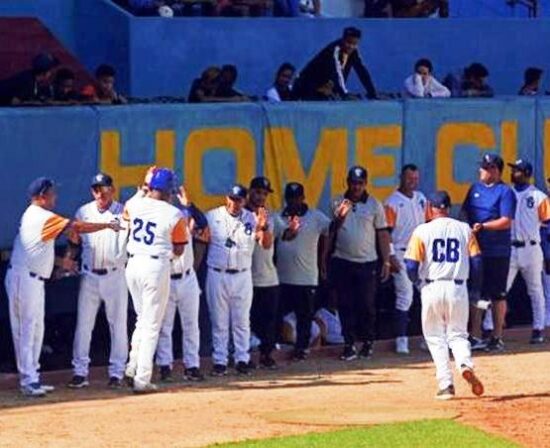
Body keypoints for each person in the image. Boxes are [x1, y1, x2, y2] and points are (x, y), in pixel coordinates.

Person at [5, 177, 122, 397]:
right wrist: (107, 225)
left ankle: (32, 378)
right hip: (24, 280)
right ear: (41, 197)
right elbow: (75, 227)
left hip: (33, 278)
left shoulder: (38, 216)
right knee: (26, 331)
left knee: (35, 331)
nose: (55, 197)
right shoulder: (40, 215)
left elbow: (39, 250)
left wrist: (62, 265)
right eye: (52, 194)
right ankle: (28, 380)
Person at [405, 190, 484, 400]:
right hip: (458, 287)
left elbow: (411, 266)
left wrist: (418, 283)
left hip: (431, 287)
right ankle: (465, 363)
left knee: (435, 337)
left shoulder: (422, 231)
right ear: (448, 208)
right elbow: (477, 262)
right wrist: (474, 289)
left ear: (430, 208)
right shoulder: (464, 229)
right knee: (458, 334)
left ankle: (446, 384)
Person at [124, 168, 189, 393]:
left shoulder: (134, 204)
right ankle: (142, 378)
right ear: (170, 191)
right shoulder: (174, 214)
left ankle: (132, 367)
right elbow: (180, 249)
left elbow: (127, 218)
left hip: (132, 264)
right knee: (151, 324)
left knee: (142, 319)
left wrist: (145, 186)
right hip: (155, 266)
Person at [67, 173, 129, 389]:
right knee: (83, 325)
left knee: (118, 325)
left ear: (112, 189)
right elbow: (74, 241)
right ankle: (80, 372)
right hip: (90, 275)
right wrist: (68, 260)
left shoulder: (123, 212)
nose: (100, 193)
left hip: (115, 274)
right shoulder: (83, 211)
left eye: (104, 188)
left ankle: (117, 372)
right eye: (96, 189)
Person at [205, 184, 271, 376]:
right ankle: (220, 361)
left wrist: (263, 227)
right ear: (227, 198)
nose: (235, 203)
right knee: (219, 321)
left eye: (239, 200)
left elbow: (265, 244)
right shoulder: (213, 216)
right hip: (218, 273)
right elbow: (200, 237)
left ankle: (242, 358)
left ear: (244, 200)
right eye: (232, 199)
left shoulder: (252, 218)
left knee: (242, 321)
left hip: (242, 274)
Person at [330, 166, 391, 361]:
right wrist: (340, 217)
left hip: (367, 262)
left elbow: (382, 233)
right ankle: (348, 345)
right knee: (345, 304)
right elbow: (331, 232)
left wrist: (387, 261)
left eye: (360, 183)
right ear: (347, 182)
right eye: (353, 183)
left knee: (366, 305)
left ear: (365, 184)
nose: (356, 187)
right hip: (342, 260)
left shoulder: (374, 204)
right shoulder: (337, 202)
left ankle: (368, 342)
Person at [461, 153, 516, 352]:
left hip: (497, 250)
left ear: (495, 171)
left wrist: (483, 226)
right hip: (476, 250)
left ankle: (496, 336)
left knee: (497, 295)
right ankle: (475, 335)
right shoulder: (475, 189)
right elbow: (465, 211)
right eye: (482, 167)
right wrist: (467, 227)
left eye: (486, 168)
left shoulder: (505, 192)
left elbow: (506, 220)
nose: (481, 171)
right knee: (476, 292)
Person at [156, 186, 208, 382]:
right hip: (166, 278)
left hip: (187, 278)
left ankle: (192, 366)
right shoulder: (157, 220)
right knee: (164, 326)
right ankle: (164, 366)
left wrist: (189, 205)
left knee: (191, 325)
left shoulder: (182, 215)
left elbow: (202, 223)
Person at [275, 182, 330, 361]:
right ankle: (280, 346)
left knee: (304, 317)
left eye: (297, 198)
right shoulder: (278, 217)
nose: (293, 202)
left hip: (306, 277)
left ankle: (302, 348)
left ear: (303, 198)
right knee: (279, 315)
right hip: (282, 277)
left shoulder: (315, 217)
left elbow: (331, 230)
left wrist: (323, 258)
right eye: (290, 198)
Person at [503, 160, 550, 343]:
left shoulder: (538, 196)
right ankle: (490, 328)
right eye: (513, 169)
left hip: (531, 247)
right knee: (501, 290)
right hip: (511, 248)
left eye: (517, 170)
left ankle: (538, 328)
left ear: (527, 173)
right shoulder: (506, 193)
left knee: (536, 290)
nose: (514, 172)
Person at [384, 164, 427, 354]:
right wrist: (390, 255)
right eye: (409, 179)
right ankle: (401, 339)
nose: (413, 182)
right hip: (401, 252)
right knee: (405, 296)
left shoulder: (421, 199)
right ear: (401, 178)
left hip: (420, 253)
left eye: (416, 179)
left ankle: (429, 338)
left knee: (429, 295)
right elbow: (386, 232)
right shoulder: (392, 202)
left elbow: (429, 224)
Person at [246, 177, 280, 369]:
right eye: (258, 192)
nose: (261, 197)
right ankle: (246, 357)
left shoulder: (271, 217)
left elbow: (282, 237)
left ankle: (266, 355)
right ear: (250, 191)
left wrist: (292, 231)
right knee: (246, 322)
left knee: (268, 321)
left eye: (264, 194)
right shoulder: (242, 215)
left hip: (268, 278)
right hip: (246, 278)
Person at [292, 27, 377, 101]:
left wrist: (372, 92)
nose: (350, 46)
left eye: (354, 44)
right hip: (305, 86)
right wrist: (344, 94)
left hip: (322, 88)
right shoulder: (334, 50)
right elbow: (337, 73)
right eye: (348, 42)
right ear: (343, 39)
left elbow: (362, 71)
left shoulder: (354, 52)